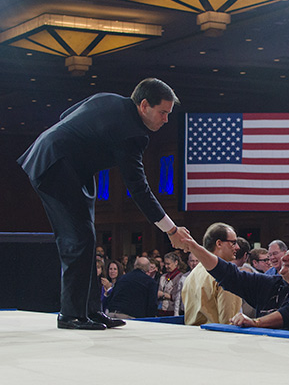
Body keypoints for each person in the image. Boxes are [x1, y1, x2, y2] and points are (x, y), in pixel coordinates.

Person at [17, 78, 190, 330]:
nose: (166, 120)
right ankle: (71, 315)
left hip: (69, 167)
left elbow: (67, 115)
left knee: (86, 240)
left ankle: (90, 311)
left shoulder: (107, 98)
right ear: (144, 105)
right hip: (55, 166)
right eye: (163, 112)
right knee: (78, 241)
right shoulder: (132, 133)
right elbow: (139, 189)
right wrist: (171, 230)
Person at [181, 236, 289, 333]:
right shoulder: (271, 283)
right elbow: (230, 276)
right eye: (285, 254)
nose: (283, 258)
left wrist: (255, 322)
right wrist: (196, 248)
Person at [181, 223, 243, 326]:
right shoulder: (225, 274)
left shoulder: (193, 273)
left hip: (192, 337)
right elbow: (229, 322)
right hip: (217, 339)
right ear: (219, 243)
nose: (237, 247)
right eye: (233, 242)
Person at [158, 252, 183, 316]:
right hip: (161, 310)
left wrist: (163, 294)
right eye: (165, 264)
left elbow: (178, 297)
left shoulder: (180, 277)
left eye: (168, 264)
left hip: (173, 311)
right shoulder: (163, 277)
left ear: (176, 263)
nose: (166, 266)